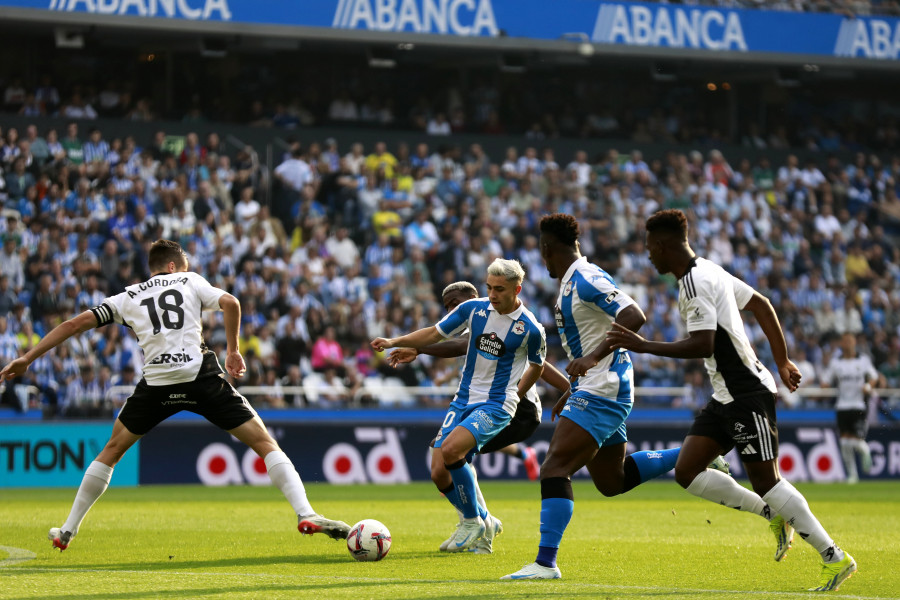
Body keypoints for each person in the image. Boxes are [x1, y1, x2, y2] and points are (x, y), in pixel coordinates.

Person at [0, 240, 350, 551]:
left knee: (111, 450)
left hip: (157, 383)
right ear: (173, 266)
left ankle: (67, 530)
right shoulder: (190, 279)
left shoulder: (127, 296)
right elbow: (231, 302)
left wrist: (27, 357)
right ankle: (306, 513)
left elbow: (73, 325)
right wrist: (233, 351)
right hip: (200, 376)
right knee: (264, 443)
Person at [606, 209, 856, 592]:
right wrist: (783, 359)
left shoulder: (695, 282)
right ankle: (774, 515)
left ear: (662, 245)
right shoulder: (710, 269)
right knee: (687, 471)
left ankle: (834, 557)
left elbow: (703, 343)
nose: (648, 256)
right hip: (725, 396)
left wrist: (644, 346)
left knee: (767, 481)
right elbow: (760, 304)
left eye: (649, 248)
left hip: (746, 395)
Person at [503, 213, 707, 581]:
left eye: (542, 251)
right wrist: (575, 388)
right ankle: (697, 454)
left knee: (554, 468)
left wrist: (593, 358)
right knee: (612, 481)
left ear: (547, 249)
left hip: (604, 385)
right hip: (594, 386)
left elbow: (634, 314)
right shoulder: (570, 282)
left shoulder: (586, 277)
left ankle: (545, 563)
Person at [372, 258, 547, 553]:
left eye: (499, 289)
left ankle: (472, 520)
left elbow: (539, 366)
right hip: (463, 399)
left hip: (496, 403)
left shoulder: (529, 328)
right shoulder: (474, 310)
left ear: (517, 289)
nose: (492, 294)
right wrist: (394, 340)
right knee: (439, 471)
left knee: (454, 450)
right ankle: (485, 520)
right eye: (489, 287)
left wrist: (517, 392)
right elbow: (434, 333)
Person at [819, 332, 883, 484]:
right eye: (845, 341)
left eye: (850, 341)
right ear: (841, 343)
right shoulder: (836, 363)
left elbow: (874, 377)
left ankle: (866, 451)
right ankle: (852, 476)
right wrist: (824, 385)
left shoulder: (863, 361)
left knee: (854, 440)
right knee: (844, 442)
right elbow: (826, 379)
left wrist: (868, 385)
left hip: (858, 406)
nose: (847, 344)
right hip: (842, 406)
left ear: (855, 343)